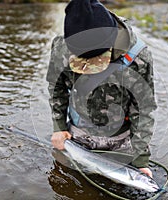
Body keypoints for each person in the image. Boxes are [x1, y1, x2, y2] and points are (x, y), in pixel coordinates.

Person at [46, 0, 157, 178]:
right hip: (78, 134)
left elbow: (143, 109)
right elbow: (56, 88)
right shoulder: (61, 48)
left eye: (95, 59)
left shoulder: (138, 58)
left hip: (121, 139)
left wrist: (141, 160)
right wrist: (58, 127)